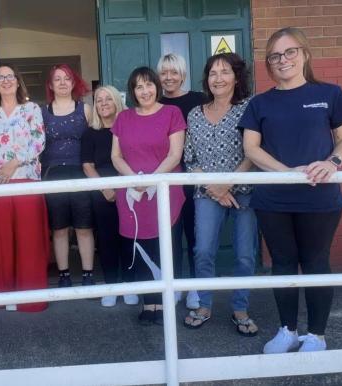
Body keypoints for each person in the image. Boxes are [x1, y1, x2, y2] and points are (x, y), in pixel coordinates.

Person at [239, 27, 342, 353]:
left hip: (320, 196)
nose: (283, 60)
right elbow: (252, 148)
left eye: (290, 52)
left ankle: (316, 335)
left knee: (316, 262)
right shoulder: (260, 103)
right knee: (283, 263)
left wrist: (332, 161)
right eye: (275, 55)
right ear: (269, 63)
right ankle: (288, 330)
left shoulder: (330, 94)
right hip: (273, 197)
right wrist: (286, 173)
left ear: (304, 54)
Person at [182, 53, 258, 336]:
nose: (218, 78)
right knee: (203, 250)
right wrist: (214, 188)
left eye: (225, 72)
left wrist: (229, 183)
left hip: (244, 192)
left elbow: (254, 151)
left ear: (236, 77)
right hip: (207, 193)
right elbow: (190, 158)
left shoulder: (249, 107)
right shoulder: (195, 113)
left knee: (244, 255)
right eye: (213, 73)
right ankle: (203, 305)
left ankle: (240, 308)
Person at [111, 67, 186, 326]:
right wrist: (136, 180)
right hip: (133, 193)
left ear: (156, 86)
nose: (145, 91)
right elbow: (115, 156)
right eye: (138, 87)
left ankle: (164, 300)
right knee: (139, 246)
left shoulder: (171, 113)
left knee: (164, 247)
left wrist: (151, 179)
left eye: (149, 85)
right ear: (133, 92)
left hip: (164, 191)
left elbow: (175, 155)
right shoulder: (123, 118)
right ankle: (149, 302)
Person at [0, 64, 49, 312]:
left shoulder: (31, 109)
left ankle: (30, 299)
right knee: (1, 241)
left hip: (26, 179)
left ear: (18, 82)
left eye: (10, 76)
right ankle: (4, 296)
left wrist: (15, 163)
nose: (6, 81)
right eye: (1, 77)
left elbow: (39, 142)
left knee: (28, 241)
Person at [82, 85, 138, 307]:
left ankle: (129, 285)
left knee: (128, 238)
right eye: (98, 100)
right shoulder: (90, 133)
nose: (103, 103)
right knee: (106, 241)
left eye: (108, 99)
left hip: (129, 191)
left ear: (117, 102)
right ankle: (111, 286)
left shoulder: (128, 129)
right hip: (102, 192)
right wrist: (105, 188)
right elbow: (87, 166)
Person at [157, 53, 205, 309]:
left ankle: (196, 286)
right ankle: (172, 284)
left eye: (173, 72)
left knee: (195, 234)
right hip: (167, 178)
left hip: (194, 176)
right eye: (164, 73)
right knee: (170, 235)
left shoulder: (198, 100)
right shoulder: (156, 103)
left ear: (182, 74)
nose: (169, 78)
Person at [40, 64, 96, 288]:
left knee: (84, 227)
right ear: (51, 85)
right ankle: (64, 275)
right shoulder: (42, 112)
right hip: (53, 175)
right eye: (57, 79)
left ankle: (88, 275)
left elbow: (96, 141)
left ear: (73, 83)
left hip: (80, 173)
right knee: (59, 229)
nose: (62, 82)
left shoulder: (86, 109)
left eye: (67, 79)